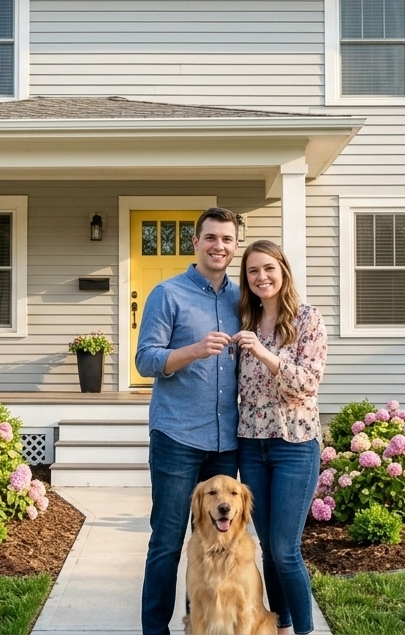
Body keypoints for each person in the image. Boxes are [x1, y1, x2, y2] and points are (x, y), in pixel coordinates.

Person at [135, 206, 243, 635]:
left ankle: (195, 624)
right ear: (195, 242)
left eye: (228, 239)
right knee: (166, 540)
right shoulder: (169, 294)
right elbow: (146, 360)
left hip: (227, 438)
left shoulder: (242, 300)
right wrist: (194, 351)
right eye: (211, 238)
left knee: (212, 543)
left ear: (235, 247)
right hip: (177, 435)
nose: (219, 246)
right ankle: (154, 630)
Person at [232, 239, 327, 635]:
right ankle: (282, 626)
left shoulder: (307, 319)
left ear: (283, 270)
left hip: (295, 446)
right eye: (253, 271)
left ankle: (304, 631)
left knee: (287, 550)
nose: (261, 277)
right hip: (251, 446)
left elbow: (306, 383)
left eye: (268, 268)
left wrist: (264, 354)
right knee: (268, 548)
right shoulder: (244, 322)